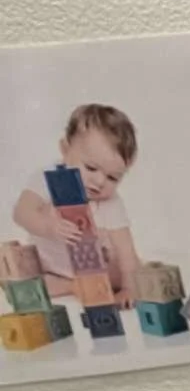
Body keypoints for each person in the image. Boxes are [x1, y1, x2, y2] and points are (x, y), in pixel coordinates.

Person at [10, 103, 142, 303]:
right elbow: (21, 212)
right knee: (16, 274)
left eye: (113, 178)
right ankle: (71, 286)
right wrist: (49, 226)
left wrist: (128, 289)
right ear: (65, 149)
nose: (99, 182)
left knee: (124, 268)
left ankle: (83, 285)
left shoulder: (111, 203)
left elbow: (126, 251)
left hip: (97, 271)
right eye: (91, 168)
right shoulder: (47, 179)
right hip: (49, 267)